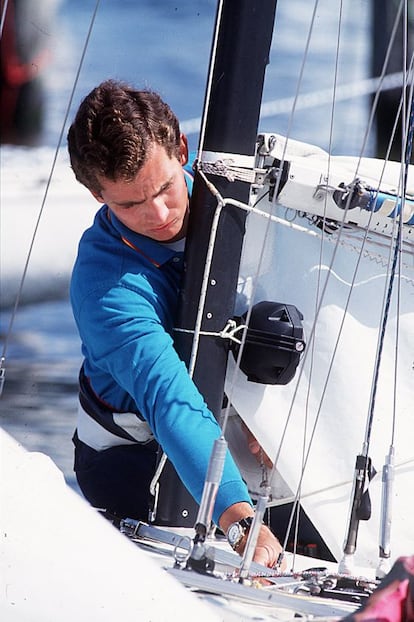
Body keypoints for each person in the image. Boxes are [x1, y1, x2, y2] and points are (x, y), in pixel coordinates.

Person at [67, 79, 284, 568]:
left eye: (165, 188)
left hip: (240, 430)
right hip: (132, 465)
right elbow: (170, 399)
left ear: (181, 149)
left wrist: (272, 415)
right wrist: (239, 519)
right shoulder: (105, 288)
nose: (159, 213)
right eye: (129, 205)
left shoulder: (241, 199)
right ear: (96, 195)